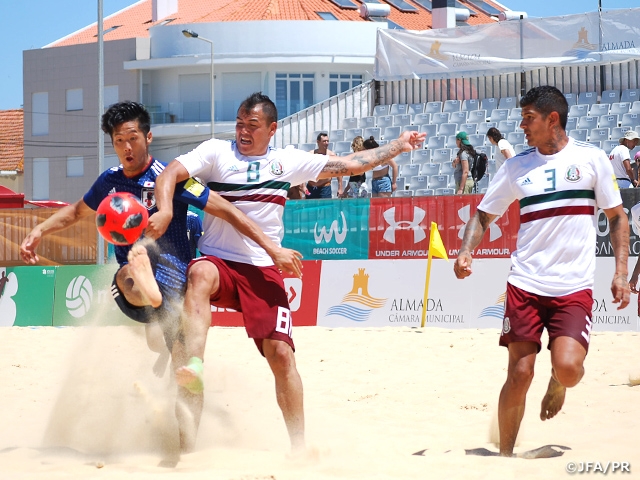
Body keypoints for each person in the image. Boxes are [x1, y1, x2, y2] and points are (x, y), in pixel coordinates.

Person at [152, 92, 425, 455]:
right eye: (239, 123)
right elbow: (170, 171)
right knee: (199, 274)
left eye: (252, 125)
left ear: (272, 128)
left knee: (281, 355)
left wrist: (397, 145)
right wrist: (166, 209)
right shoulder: (217, 152)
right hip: (221, 262)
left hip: (265, 268)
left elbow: (350, 165)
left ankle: (298, 446)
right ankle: (195, 373)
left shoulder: (287, 161)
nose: (243, 132)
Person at [20, 101, 302, 380]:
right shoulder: (109, 182)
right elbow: (76, 211)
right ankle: (148, 289)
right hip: (138, 283)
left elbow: (228, 210)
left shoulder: (172, 179)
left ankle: (184, 417)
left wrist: (271, 248)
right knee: (128, 277)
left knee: (183, 376)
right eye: (119, 141)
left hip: (176, 285)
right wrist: (39, 230)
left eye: (133, 138)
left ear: (148, 137)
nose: (127, 148)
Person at [453, 86, 630, 457]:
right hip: (525, 282)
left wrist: (619, 272)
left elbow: (616, 217)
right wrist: (466, 250)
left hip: (573, 286)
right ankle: (504, 457)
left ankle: (559, 382)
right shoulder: (517, 166)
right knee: (519, 373)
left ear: (553, 120)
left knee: (567, 368)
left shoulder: (592, 159)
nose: (521, 125)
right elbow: (483, 215)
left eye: (528, 117)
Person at [306, 132, 336, 198]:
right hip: (311, 187)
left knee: (326, 208)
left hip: (324, 188)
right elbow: (303, 169)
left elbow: (339, 170)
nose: (326, 143)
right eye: (324, 141)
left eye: (327, 141)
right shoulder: (310, 154)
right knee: (310, 208)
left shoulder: (332, 155)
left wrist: (340, 187)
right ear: (318, 142)